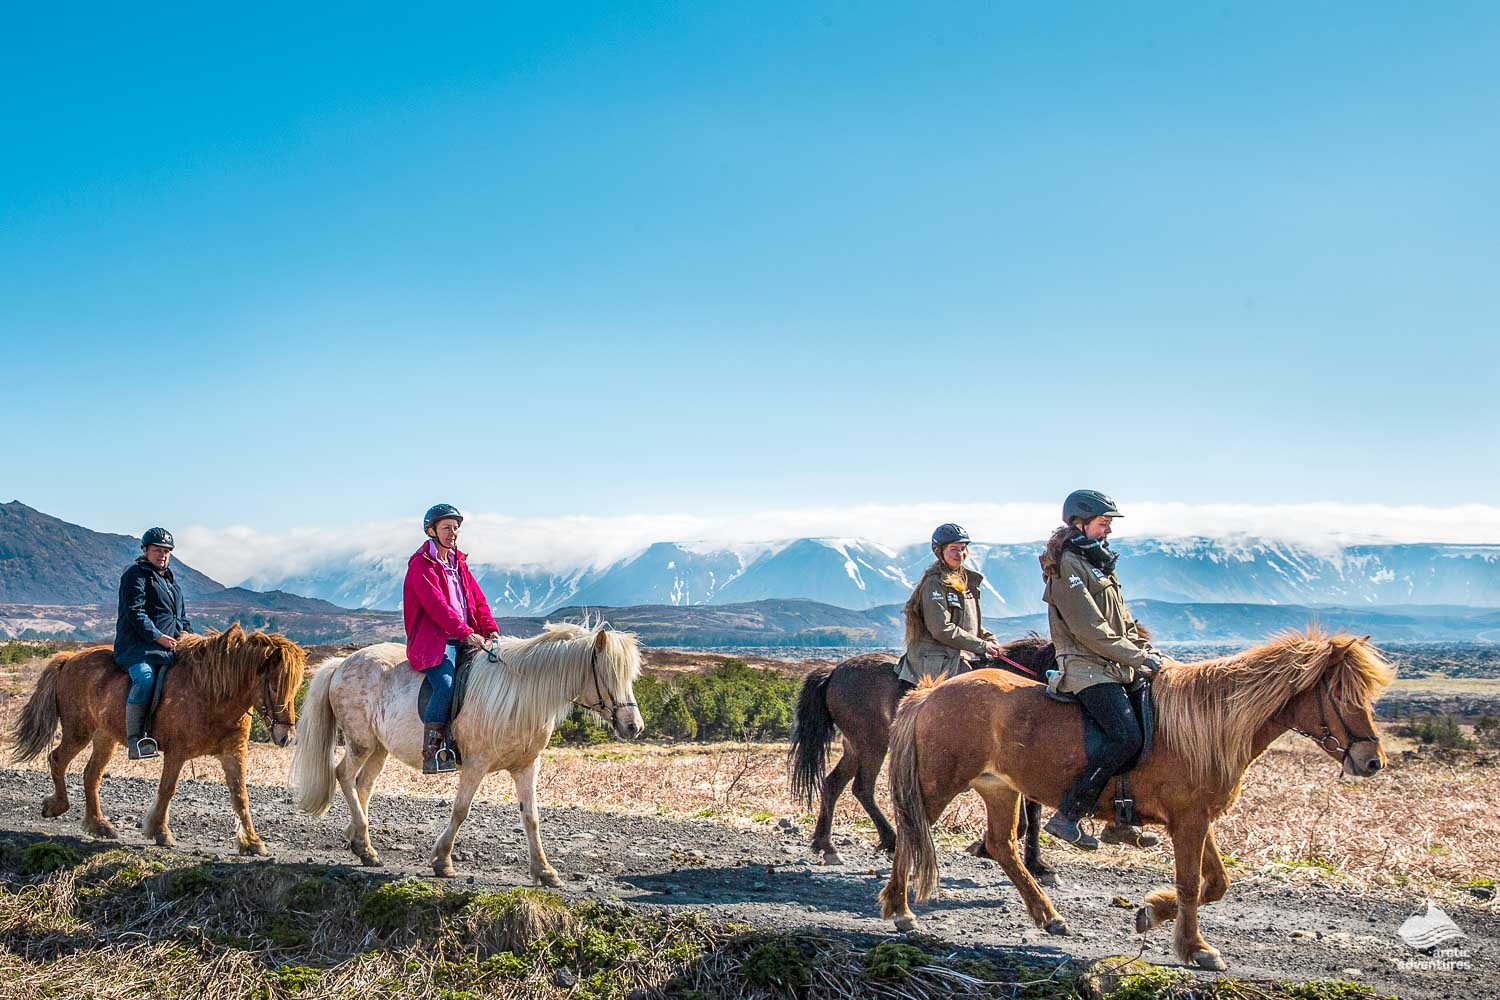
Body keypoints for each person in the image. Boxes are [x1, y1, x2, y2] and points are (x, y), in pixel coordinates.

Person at [1040, 490, 1163, 850]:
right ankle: (1068, 815)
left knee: (1151, 730)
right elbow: (1089, 629)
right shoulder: (1068, 567)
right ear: (1079, 523)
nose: (1107, 530)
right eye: (1102, 523)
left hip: (1115, 665)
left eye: (1108, 524)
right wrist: (1137, 658)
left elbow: (1121, 620)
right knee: (1125, 736)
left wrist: (1143, 650)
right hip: (1086, 668)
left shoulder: (1096, 562)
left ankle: (1120, 820)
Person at [403, 504, 501, 774]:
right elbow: (436, 607)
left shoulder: (458, 563)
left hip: (465, 637)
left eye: (456, 528)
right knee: (445, 687)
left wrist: (489, 628)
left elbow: (478, 600)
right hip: (435, 643)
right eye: (446, 527)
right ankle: (434, 752)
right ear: (431, 530)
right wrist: (466, 633)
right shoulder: (421, 565)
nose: (453, 533)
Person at [112, 527, 193, 759]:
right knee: (145, 679)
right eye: (157, 550)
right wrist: (158, 636)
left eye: (167, 551)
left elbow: (182, 618)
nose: (163, 555)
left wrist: (189, 637)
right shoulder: (135, 575)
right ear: (145, 550)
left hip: (167, 649)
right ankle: (136, 740)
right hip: (138, 649)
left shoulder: (172, 583)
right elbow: (135, 612)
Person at [895, 523, 1004, 690]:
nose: (960, 554)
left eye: (963, 548)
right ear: (940, 551)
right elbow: (941, 629)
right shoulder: (934, 583)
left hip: (957, 654)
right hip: (937, 661)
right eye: (954, 549)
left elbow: (969, 623)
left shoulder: (966, 581)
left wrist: (989, 639)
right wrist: (981, 646)